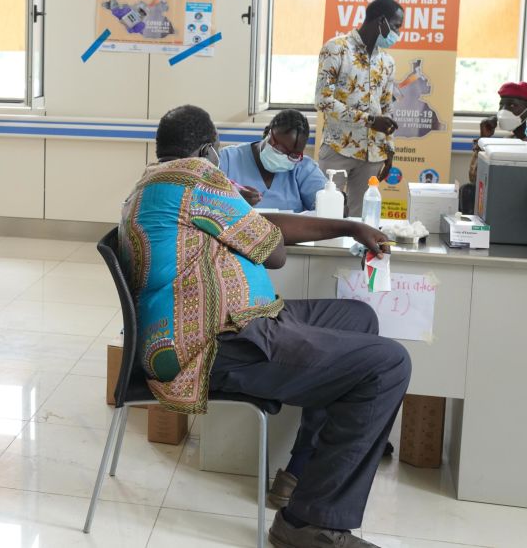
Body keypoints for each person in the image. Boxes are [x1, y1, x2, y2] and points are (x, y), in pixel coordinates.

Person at [121, 105, 410, 548]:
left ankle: (301, 472)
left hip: (244, 316)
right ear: (208, 149)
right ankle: (308, 524)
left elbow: (255, 228)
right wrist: (237, 209)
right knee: (388, 364)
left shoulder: (155, 182)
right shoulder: (200, 176)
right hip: (217, 341)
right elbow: (272, 254)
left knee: (358, 317)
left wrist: (349, 225)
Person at [316, 0, 402, 217]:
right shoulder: (336, 48)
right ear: (381, 21)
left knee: (363, 222)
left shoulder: (387, 62)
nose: (397, 34)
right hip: (338, 149)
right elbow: (323, 100)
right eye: (395, 26)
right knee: (327, 217)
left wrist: (389, 151)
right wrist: (370, 121)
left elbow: (386, 109)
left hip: (372, 156)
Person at [218, 109, 326, 213]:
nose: (284, 157)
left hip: (289, 231)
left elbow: (326, 205)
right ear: (268, 133)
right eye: (279, 149)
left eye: (293, 155)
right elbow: (206, 201)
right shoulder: (227, 159)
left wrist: (338, 201)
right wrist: (233, 200)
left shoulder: (304, 168)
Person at [467, 81, 527, 183]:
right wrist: (483, 140)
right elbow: (475, 179)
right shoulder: (508, 140)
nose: (503, 111)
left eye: (512, 105)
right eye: (501, 105)